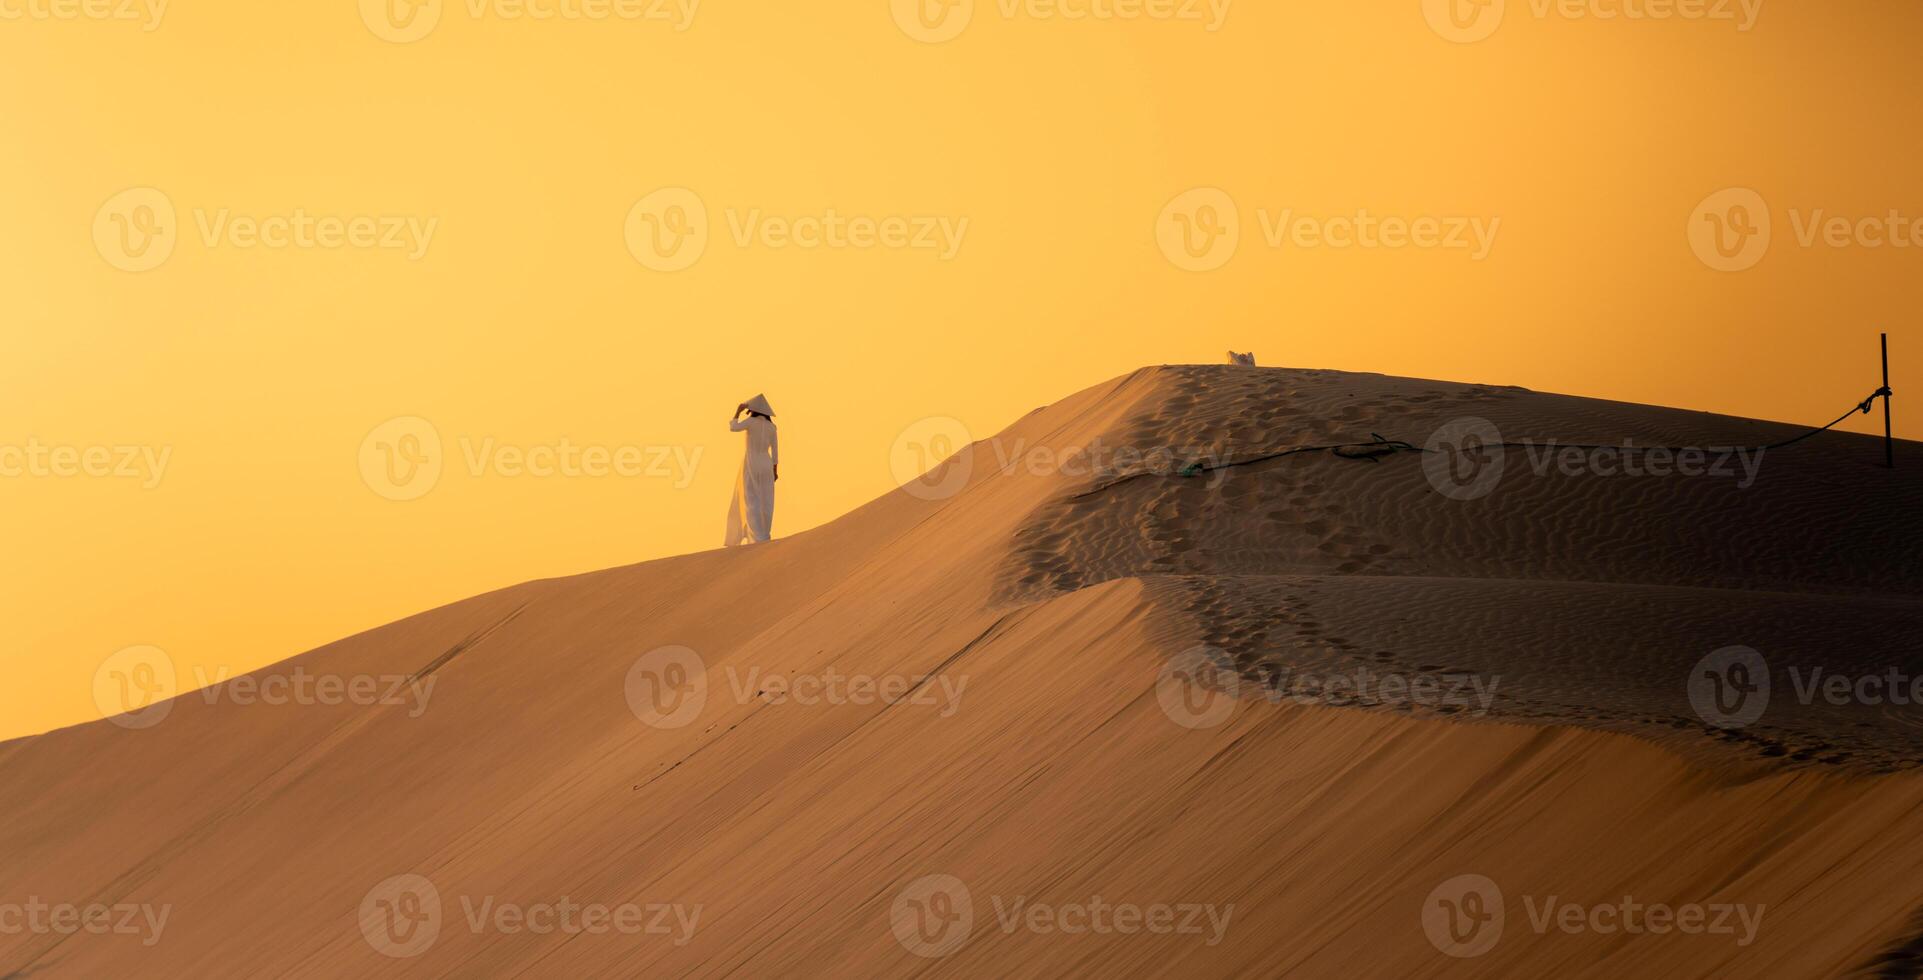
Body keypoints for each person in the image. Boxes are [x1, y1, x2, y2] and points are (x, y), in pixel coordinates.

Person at [724, 394, 779, 546]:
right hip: (766, 464)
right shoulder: (772, 427)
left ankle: (757, 537)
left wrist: (738, 411)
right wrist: (775, 470)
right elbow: (775, 451)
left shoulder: (751, 422)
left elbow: (733, 427)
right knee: (766, 499)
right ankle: (764, 534)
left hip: (752, 462)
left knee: (751, 499)